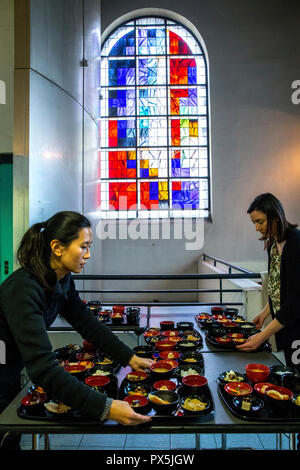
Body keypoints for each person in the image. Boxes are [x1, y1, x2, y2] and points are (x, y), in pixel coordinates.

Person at [0, 211, 154, 450]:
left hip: (11, 365)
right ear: (57, 247)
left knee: (11, 437)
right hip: (2, 368)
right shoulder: (23, 289)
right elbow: (43, 368)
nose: (88, 254)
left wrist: (129, 357)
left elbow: (87, 323)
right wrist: (105, 407)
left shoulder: (62, 279)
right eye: (83, 247)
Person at [236, 193, 300, 371]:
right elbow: (277, 287)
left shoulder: (295, 243)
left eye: (260, 221)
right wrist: (265, 313)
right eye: (254, 223)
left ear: (275, 216)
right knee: (291, 370)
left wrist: (263, 335)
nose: (257, 227)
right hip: (286, 325)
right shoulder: (273, 244)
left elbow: (294, 302)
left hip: (296, 325)